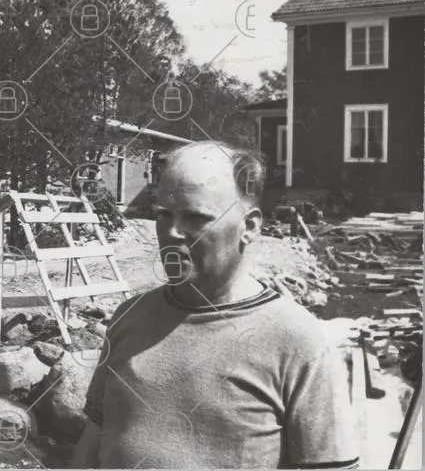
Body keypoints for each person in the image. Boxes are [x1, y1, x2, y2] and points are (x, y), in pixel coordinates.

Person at [71, 141, 359, 469]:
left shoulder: (297, 341)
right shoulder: (129, 318)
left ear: (249, 227)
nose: (172, 232)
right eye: (163, 214)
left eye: (196, 217)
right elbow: (90, 446)